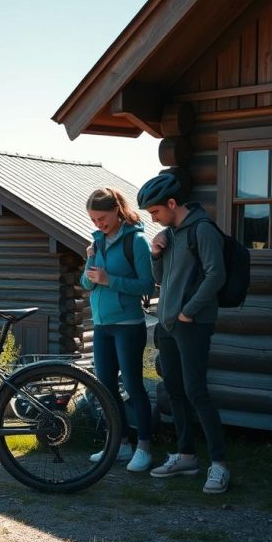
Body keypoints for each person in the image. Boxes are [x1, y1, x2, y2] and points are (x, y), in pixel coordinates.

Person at [136, 174, 230, 494]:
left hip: (192, 325)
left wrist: (189, 311)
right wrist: (156, 253)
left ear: (172, 204)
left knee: (196, 393)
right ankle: (186, 455)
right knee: (174, 391)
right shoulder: (172, 234)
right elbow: (161, 280)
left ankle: (219, 465)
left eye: (156, 212)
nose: (154, 218)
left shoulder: (202, 230)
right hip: (168, 326)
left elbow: (217, 274)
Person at [80, 187, 156, 472]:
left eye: (102, 218)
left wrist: (109, 279)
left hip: (128, 325)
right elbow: (86, 283)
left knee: (134, 385)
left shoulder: (135, 242)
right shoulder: (96, 242)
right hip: (102, 325)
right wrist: (90, 258)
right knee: (106, 387)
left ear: (117, 211)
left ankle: (144, 448)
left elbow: (147, 286)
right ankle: (120, 445)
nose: (98, 224)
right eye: (93, 220)